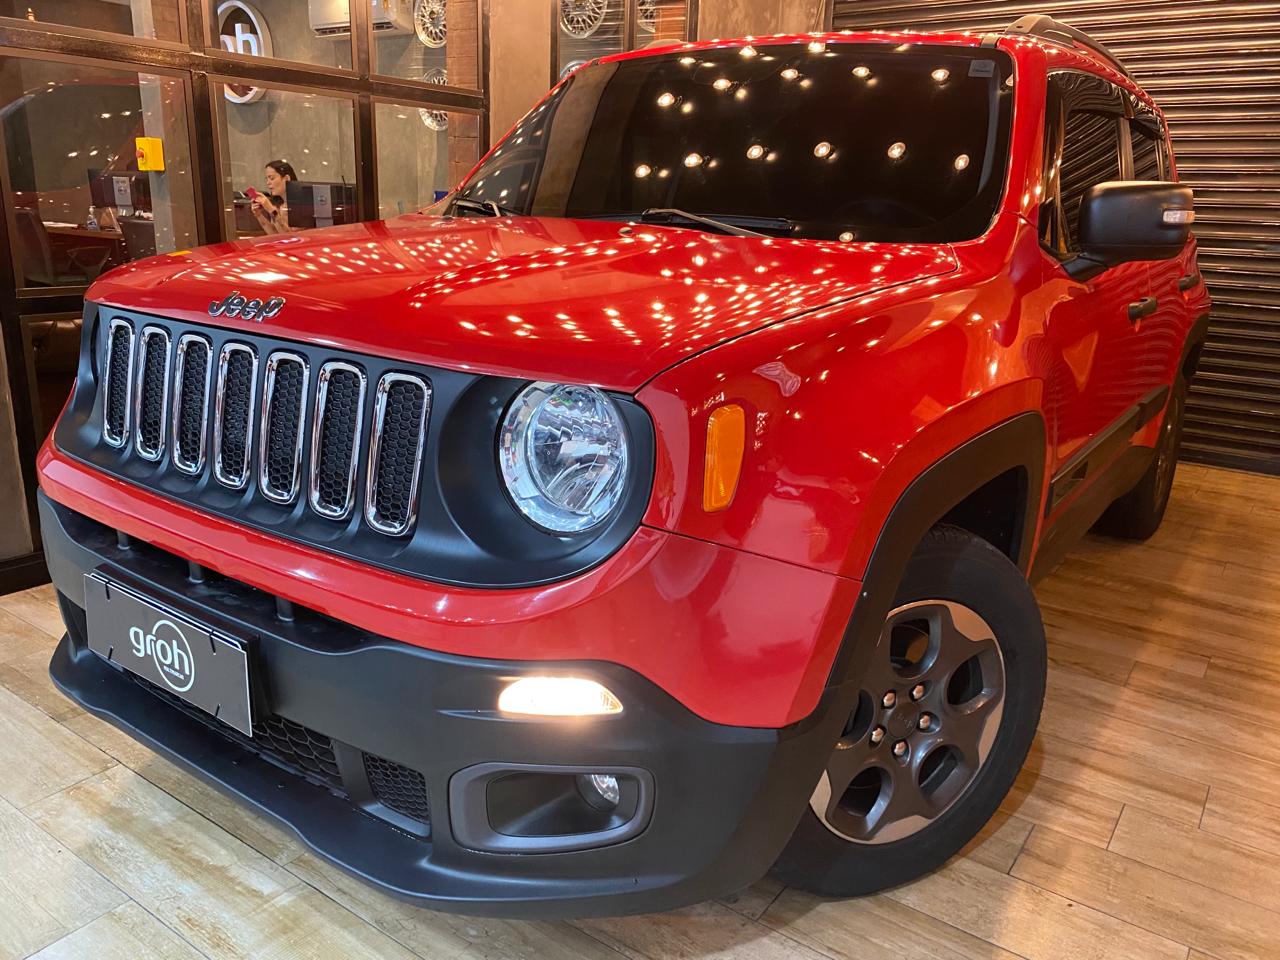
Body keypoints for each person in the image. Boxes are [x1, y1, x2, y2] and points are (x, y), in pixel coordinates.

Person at [250, 160, 297, 235]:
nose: (268, 183)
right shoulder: (279, 203)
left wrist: (271, 209)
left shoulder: (300, 204)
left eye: (272, 178)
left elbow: (291, 237)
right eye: (267, 179)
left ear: (286, 179)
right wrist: (259, 215)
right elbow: (275, 234)